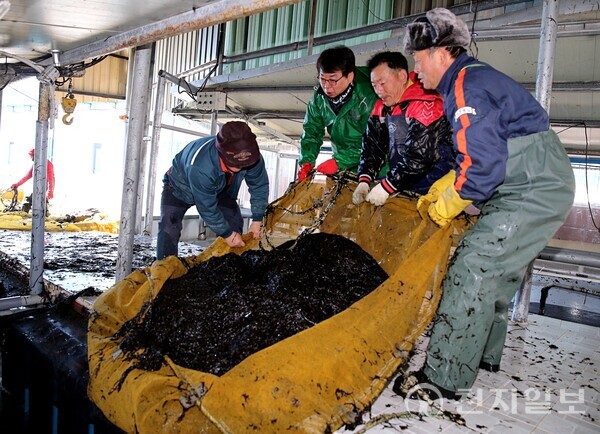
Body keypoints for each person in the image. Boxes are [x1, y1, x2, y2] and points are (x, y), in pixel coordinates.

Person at [393, 8, 575, 400]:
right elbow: (476, 152)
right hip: (531, 178)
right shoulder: (469, 82)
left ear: (442, 52)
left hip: (532, 186)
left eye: (418, 59)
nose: (415, 70)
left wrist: (445, 206)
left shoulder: (466, 86)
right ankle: (482, 355)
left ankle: (443, 377)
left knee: (474, 264)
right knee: (498, 270)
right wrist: (445, 185)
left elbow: (480, 171)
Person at [352, 51, 455, 206]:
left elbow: (421, 156)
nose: (378, 91)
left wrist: (387, 186)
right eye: (374, 85)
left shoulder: (426, 103)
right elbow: (372, 147)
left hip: (436, 188)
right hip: (403, 185)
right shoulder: (381, 107)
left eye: (382, 83)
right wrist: (364, 179)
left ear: (401, 76)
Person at [156, 121, 269, 260]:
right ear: (222, 153)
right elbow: (206, 207)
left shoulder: (253, 158)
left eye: (245, 163)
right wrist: (226, 233)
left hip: (221, 188)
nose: (242, 167)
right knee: (169, 227)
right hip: (179, 187)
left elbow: (259, 186)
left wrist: (257, 219)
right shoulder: (201, 166)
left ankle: (230, 265)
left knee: (234, 220)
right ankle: (164, 267)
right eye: (237, 163)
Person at [297, 46, 379, 181]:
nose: (326, 86)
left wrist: (339, 162)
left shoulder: (370, 95)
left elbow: (376, 143)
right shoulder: (319, 99)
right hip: (344, 169)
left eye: (333, 80)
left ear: (350, 76)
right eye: (322, 79)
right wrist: (306, 161)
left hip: (376, 169)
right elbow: (311, 132)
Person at [10, 148, 55, 212]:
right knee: (32, 199)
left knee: (41, 200)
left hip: (47, 184)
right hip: (38, 185)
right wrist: (17, 184)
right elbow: (27, 176)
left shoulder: (48, 164)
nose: (32, 159)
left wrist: (50, 191)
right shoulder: (35, 165)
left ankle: (44, 213)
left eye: (32, 156)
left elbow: (51, 179)